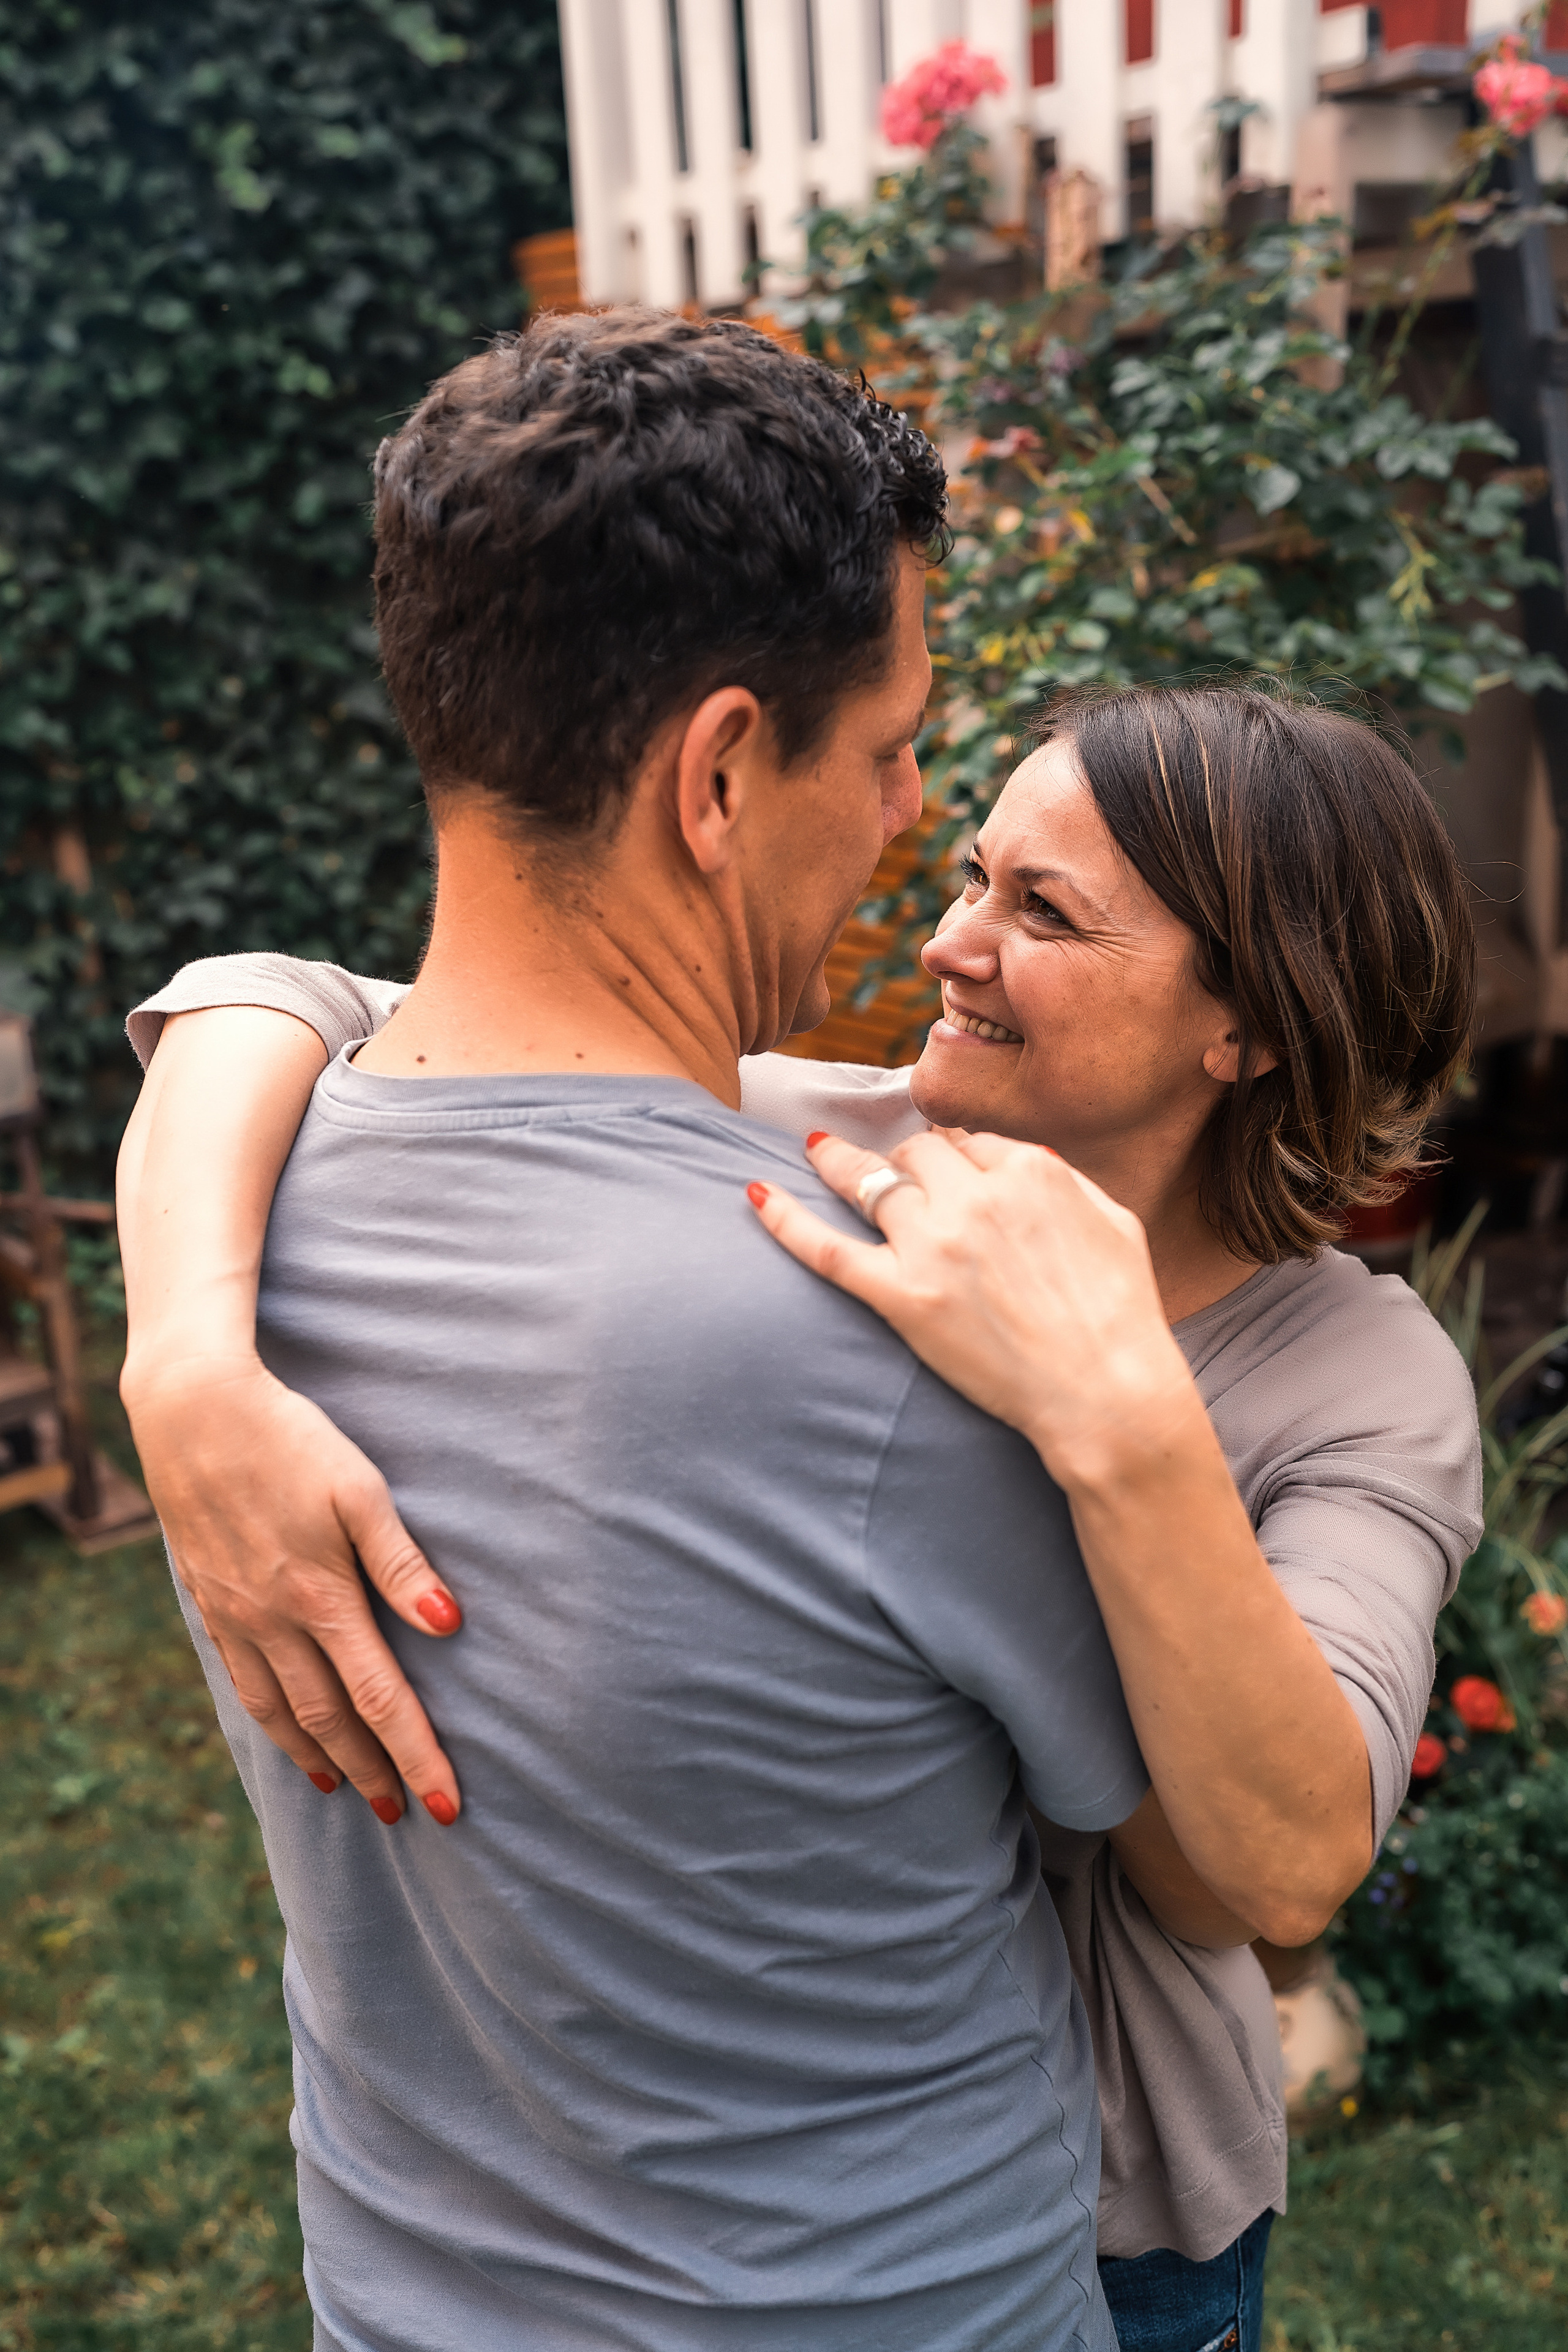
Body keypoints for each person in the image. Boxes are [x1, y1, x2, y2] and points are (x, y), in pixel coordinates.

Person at [121, 679, 1482, 2352]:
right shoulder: (811, 1139)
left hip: (1118, 2235)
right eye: (974, 874)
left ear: (1252, 1027)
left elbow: (1279, 1870)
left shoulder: (1358, 1379)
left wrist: (1121, 1416)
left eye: (1044, 912)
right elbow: (279, 1000)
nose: (949, 943)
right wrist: (186, 1360)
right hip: (775, 2204)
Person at [117, 305, 1207, 2352]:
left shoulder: (230, 1239)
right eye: (886, 751)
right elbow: (1203, 1854)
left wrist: (176, 1345)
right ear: (717, 777)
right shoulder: (897, 1331)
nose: (907, 818)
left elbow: (269, 1000)